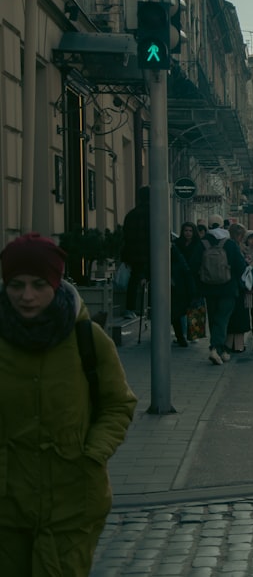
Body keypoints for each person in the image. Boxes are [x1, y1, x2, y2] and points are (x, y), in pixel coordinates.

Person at [0, 233, 137, 575]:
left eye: (37, 284)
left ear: (56, 283)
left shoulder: (87, 338)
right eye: (16, 285)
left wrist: (92, 454)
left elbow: (119, 404)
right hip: (7, 504)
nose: (26, 296)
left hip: (74, 499)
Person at [200, 214, 246, 365]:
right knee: (222, 319)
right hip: (228, 288)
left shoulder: (203, 243)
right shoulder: (229, 243)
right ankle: (216, 348)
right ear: (222, 225)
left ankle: (221, 350)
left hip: (208, 289)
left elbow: (194, 264)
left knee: (213, 319)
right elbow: (241, 266)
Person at [120, 186, 151, 319]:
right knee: (154, 280)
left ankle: (130, 308)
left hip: (134, 254)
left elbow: (125, 236)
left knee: (134, 280)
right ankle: (150, 307)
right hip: (150, 253)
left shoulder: (131, 214)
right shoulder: (154, 213)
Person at [225, 223, 252, 355]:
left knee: (231, 317)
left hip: (227, 285)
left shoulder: (224, 245)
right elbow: (240, 267)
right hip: (238, 287)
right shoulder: (235, 247)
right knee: (240, 316)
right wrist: (246, 262)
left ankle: (229, 344)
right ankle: (238, 345)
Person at [169, 240, 197, 347]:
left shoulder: (175, 252)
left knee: (176, 314)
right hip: (175, 287)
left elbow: (185, 270)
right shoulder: (174, 250)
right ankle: (180, 337)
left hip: (177, 287)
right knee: (175, 314)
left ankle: (181, 337)